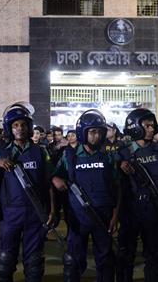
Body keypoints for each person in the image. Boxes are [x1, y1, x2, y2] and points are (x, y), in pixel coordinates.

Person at [0, 103, 55, 282]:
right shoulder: (1, 152)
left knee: (34, 262)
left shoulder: (41, 152)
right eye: (15, 125)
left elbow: (49, 183)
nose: (20, 128)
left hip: (35, 213)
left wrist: (52, 210)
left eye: (23, 124)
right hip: (9, 214)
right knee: (5, 260)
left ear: (29, 127)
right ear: (9, 128)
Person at [52, 109, 120, 282]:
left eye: (99, 132)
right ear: (84, 133)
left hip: (102, 217)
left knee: (105, 261)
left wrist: (115, 215)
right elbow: (54, 175)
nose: (96, 136)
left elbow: (117, 187)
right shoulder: (70, 156)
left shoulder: (109, 157)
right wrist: (56, 179)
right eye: (92, 132)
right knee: (73, 260)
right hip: (77, 217)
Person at [116, 109, 158, 282]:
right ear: (136, 127)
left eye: (152, 126)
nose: (152, 129)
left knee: (153, 255)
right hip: (130, 211)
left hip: (154, 210)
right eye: (147, 126)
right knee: (126, 255)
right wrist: (119, 163)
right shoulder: (122, 153)